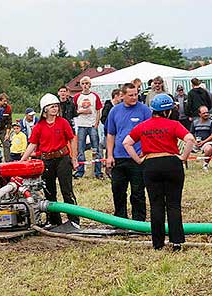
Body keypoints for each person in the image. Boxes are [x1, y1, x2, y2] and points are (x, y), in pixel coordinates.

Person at [123, 94, 195, 251]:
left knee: (156, 204)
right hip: (172, 164)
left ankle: (158, 243)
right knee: (174, 204)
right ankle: (176, 242)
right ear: (167, 111)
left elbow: (126, 143)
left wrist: (139, 160)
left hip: (151, 165)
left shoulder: (143, 126)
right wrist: (183, 157)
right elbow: (190, 139)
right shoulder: (174, 124)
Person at [21, 93, 79, 228]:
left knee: (67, 190)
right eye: (52, 107)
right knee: (49, 192)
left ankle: (74, 220)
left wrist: (74, 158)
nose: (55, 109)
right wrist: (22, 160)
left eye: (56, 106)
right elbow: (32, 144)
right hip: (47, 161)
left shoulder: (63, 122)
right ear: (45, 109)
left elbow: (72, 138)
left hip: (63, 159)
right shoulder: (39, 126)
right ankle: (54, 221)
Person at [106, 82, 152, 221]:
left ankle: (139, 221)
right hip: (119, 157)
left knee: (137, 192)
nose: (134, 97)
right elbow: (111, 134)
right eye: (130, 95)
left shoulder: (144, 110)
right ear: (122, 96)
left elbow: (149, 133)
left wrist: (144, 151)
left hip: (137, 157)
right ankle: (120, 220)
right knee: (118, 190)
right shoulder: (114, 111)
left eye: (136, 94)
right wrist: (109, 155)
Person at [73, 76, 103, 179]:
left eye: (87, 83)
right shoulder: (77, 97)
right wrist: (82, 111)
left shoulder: (95, 96)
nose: (85, 86)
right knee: (80, 149)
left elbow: (98, 110)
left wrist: (96, 123)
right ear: (81, 85)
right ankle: (80, 171)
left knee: (96, 148)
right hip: (81, 125)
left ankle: (98, 172)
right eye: (83, 84)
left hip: (91, 125)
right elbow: (74, 110)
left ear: (90, 84)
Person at [190, 106, 212, 171]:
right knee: (184, 147)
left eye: (207, 113)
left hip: (207, 142)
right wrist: (194, 141)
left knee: (208, 149)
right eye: (204, 113)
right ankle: (183, 164)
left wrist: (203, 142)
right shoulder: (194, 122)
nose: (206, 114)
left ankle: (205, 164)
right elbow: (191, 134)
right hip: (196, 142)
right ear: (199, 114)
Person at [0, 93, 12, 162]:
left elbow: (9, 122)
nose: (6, 103)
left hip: (2, 128)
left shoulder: (8, 108)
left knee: (7, 144)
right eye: (4, 101)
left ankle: (8, 162)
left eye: (6, 101)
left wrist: (7, 134)